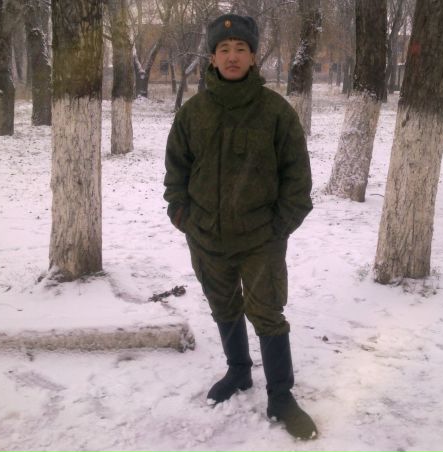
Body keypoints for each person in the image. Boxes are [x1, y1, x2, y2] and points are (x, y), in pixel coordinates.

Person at [163, 13, 317, 440]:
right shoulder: (193, 113)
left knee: (267, 312)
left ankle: (281, 396)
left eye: (241, 49)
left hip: (260, 240)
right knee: (223, 306)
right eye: (224, 49)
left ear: (253, 56)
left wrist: (277, 228)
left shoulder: (275, 112)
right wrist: (183, 216)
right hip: (206, 237)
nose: (232, 56)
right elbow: (176, 172)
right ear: (212, 58)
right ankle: (238, 370)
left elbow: (297, 181)